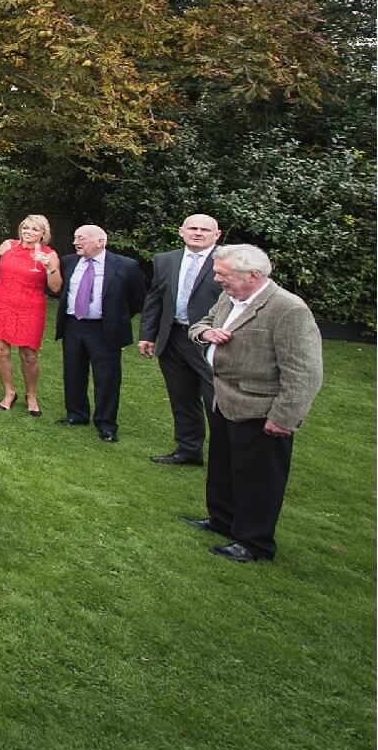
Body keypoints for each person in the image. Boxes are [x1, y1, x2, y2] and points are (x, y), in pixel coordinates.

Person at [183, 245, 325, 562]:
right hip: (225, 399)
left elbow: (305, 372)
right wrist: (207, 334)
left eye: (224, 274)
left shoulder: (288, 309)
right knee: (223, 469)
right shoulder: (228, 298)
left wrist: (284, 418)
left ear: (253, 276)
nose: (217, 279)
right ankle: (222, 521)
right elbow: (199, 324)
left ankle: (254, 543)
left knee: (258, 479)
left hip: (262, 410)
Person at [138, 214, 225, 466]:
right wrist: (147, 334)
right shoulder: (166, 260)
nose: (198, 233)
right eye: (193, 228)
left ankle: (224, 455)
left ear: (216, 235)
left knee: (216, 400)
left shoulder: (227, 261)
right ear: (181, 231)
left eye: (205, 230)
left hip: (211, 341)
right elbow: (155, 298)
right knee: (181, 396)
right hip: (173, 336)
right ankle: (188, 449)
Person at [54, 224, 146, 442]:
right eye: (75, 238)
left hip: (104, 328)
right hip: (73, 324)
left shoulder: (125, 266)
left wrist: (116, 317)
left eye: (81, 238)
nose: (76, 242)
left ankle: (106, 424)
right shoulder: (69, 262)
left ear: (100, 242)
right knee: (73, 372)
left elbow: (137, 299)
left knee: (107, 377)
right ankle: (76, 414)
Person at [0, 214, 62, 415]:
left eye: (35, 229)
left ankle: (31, 395)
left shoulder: (49, 254)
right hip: (2, 302)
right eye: (25, 228)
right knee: (0, 349)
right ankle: (9, 392)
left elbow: (56, 288)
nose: (29, 232)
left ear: (43, 233)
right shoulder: (7, 246)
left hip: (30, 305)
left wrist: (49, 268)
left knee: (29, 355)